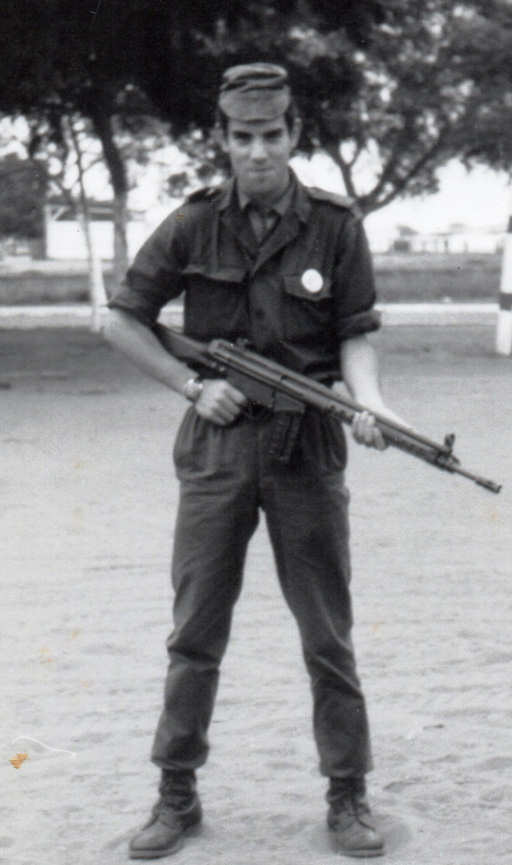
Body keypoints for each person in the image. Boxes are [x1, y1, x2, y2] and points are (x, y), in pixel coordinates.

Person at [102, 62, 406, 860]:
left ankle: (347, 794)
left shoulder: (335, 225)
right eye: (244, 137)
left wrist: (370, 404)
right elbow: (119, 321)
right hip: (219, 446)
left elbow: (356, 335)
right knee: (195, 629)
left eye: (272, 135)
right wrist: (191, 387)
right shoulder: (194, 222)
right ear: (223, 140)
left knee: (327, 632)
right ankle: (176, 793)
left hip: (308, 442)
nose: (259, 152)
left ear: (294, 134)